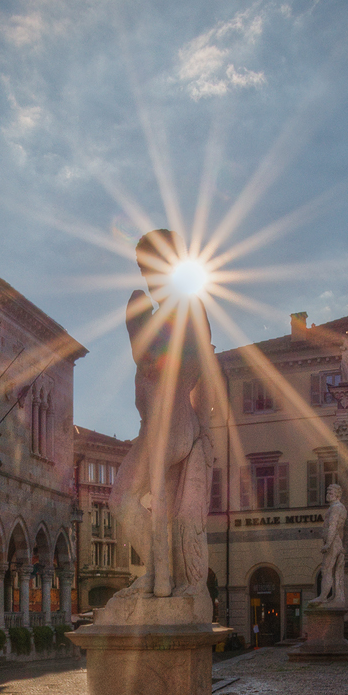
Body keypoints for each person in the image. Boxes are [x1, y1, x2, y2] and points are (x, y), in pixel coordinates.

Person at [106, 230, 217, 613]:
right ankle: (160, 574)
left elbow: (189, 369)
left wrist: (204, 431)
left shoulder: (185, 309)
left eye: (151, 266)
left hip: (171, 423)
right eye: (142, 268)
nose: (147, 276)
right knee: (143, 504)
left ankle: (158, 573)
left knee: (122, 497)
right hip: (161, 426)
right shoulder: (175, 311)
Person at [316, 483, 347, 604]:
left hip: (333, 542)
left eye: (330, 492)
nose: (328, 495)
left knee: (326, 569)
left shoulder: (335, 508)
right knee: (336, 571)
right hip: (337, 541)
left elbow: (333, 526)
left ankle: (323, 597)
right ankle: (337, 597)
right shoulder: (340, 507)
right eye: (327, 492)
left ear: (337, 495)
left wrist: (328, 544)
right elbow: (340, 529)